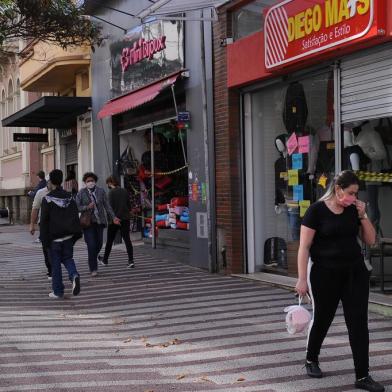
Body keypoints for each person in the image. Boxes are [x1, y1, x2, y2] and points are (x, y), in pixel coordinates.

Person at [295, 170, 384, 392]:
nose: (354, 198)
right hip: (324, 274)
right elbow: (304, 247)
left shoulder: (355, 211)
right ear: (337, 190)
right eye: (351, 193)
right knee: (323, 318)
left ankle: (362, 376)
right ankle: (311, 359)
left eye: (356, 193)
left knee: (358, 323)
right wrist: (301, 279)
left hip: (354, 273)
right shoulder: (316, 211)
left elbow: (371, 240)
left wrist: (363, 216)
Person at [40, 169, 81, 299]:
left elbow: (44, 222)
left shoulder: (47, 199)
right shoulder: (70, 197)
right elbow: (75, 217)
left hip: (54, 239)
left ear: (51, 181)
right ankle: (74, 275)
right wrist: (76, 235)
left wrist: (44, 241)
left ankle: (58, 291)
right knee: (68, 258)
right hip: (68, 236)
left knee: (55, 265)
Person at [76, 172, 120, 276]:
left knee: (99, 244)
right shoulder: (81, 193)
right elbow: (77, 206)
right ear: (85, 182)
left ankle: (92, 258)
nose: (90, 182)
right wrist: (87, 207)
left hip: (99, 221)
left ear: (95, 181)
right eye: (88, 181)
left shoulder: (101, 191)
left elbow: (107, 206)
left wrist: (113, 217)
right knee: (91, 245)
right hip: (88, 223)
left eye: (92, 181)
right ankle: (93, 268)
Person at [98, 176, 134, 268]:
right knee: (127, 240)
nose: (108, 185)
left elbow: (109, 208)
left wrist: (111, 220)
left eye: (108, 184)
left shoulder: (110, 193)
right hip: (125, 219)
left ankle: (105, 260)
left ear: (110, 183)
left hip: (114, 220)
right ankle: (131, 260)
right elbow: (129, 206)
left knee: (110, 241)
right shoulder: (124, 191)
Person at [29, 180, 53, 279]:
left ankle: (54, 268)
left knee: (55, 248)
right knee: (46, 248)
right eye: (50, 182)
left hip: (58, 225)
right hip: (44, 224)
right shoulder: (40, 193)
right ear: (48, 182)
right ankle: (50, 269)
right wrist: (32, 225)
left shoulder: (61, 192)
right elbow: (35, 209)